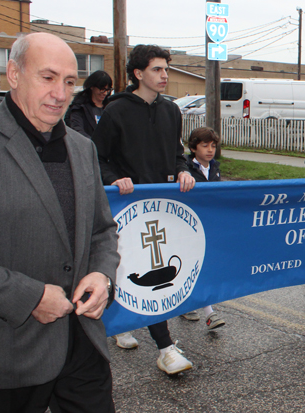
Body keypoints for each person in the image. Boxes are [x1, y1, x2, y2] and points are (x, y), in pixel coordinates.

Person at [0, 33, 119, 413]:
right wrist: (30, 296)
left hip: (81, 344)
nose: (60, 93)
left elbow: (102, 229)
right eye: (48, 77)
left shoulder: (81, 147)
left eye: (69, 82)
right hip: (3, 356)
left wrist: (102, 276)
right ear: (14, 74)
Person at [92, 44, 196, 374]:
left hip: (163, 209)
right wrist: (115, 178)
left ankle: (139, 329)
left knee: (156, 272)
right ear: (138, 74)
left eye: (166, 68)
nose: (165, 75)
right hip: (127, 209)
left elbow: (178, 153)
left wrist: (183, 170)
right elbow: (97, 158)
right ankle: (165, 347)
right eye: (157, 69)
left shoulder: (171, 111)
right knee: (137, 272)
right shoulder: (116, 111)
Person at [181, 127, 226, 330]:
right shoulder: (187, 169)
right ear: (193, 147)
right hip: (189, 227)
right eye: (204, 145)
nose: (210, 150)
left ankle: (187, 303)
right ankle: (209, 313)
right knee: (192, 265)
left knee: (203, 266)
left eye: (213, 146)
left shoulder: (215, 167)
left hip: (209, 224)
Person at [66, 70, 113, 139]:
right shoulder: (79, 108)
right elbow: (77, 130)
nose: (105, 93)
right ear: (92, 87)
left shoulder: (111, 107)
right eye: (102, 89)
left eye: (108, 90)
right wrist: (93, 144)